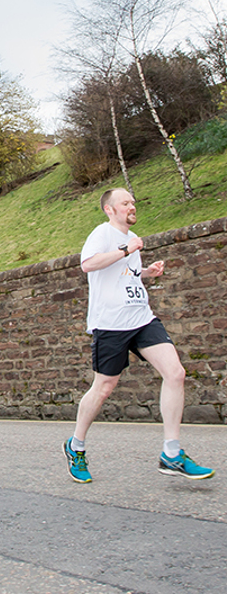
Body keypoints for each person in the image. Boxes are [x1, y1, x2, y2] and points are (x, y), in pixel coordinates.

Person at [63, 187, 214, 483]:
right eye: (126, 202)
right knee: (104, 387)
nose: (132, 206)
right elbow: (88, 264)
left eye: (133, 201)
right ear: (110, 209)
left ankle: (171, 454)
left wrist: (146, 272)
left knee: (176, 373)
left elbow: (123, 274)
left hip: (141, 317)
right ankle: (76, 445)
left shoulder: (132, 239)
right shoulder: (103, 234)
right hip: (111, 323)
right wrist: (126, 250)